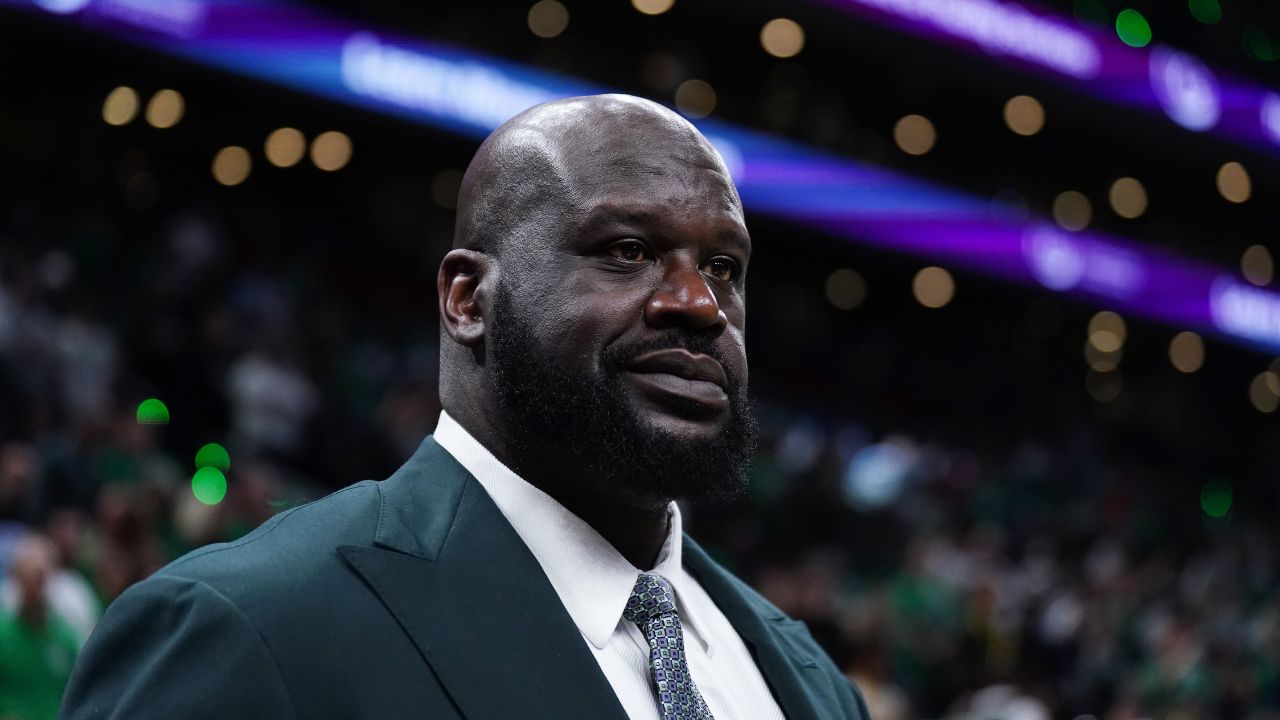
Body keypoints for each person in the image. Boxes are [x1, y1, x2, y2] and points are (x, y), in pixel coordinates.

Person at [59, 94, 869, 719]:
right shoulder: (247, 627)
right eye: (628, 251)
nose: (699, 304)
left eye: (724, 268)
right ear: (467, 300)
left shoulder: (812, 685)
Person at [0, 535, 80, 720]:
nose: (35, 586)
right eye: (29, 576)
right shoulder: (2, 634)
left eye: (40, 577)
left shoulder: (65, 637)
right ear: (16, 577)